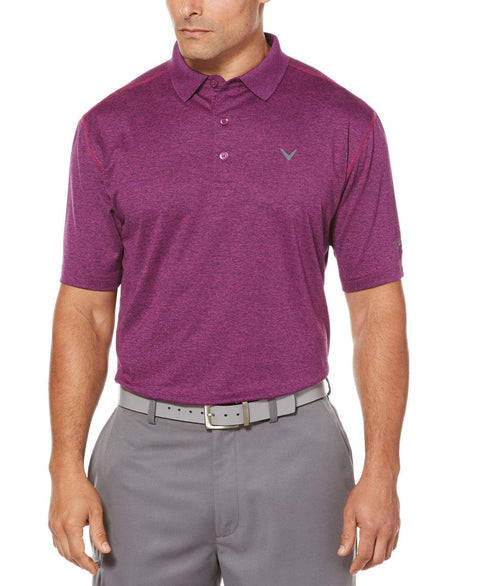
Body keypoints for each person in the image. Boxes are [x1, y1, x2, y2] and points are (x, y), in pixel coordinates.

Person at [48, 1, 409, 584]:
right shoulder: (108, 127)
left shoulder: (344, 122)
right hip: (144, 458)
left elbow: (376, 310)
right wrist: (64, 466)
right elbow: (84, 310)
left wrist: (383, 469)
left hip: (297, 455)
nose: (189, 6)